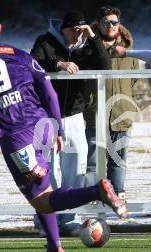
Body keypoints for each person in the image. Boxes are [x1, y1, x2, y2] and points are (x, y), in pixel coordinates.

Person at [0, 5, 126, 252]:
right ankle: (54, 248)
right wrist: (56, 126)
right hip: (43, 125)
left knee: (42, 199)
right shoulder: (20, 54)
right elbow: (49, 93)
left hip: (17, 135)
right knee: (43, 190)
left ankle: (98, 192)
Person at [30, 10, 111, 235]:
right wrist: (59, 64)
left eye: (81, 30)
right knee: (48, 170)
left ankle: (70, 219)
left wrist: (93, 36)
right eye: (74, 30)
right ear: (64, 29)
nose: (78, 35)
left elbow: (105, 65)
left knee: (76, 167)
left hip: (75, 115)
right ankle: (47, 220)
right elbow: (33, 63)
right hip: (45, 117)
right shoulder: (45, 41)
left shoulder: (87, 44)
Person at [84, 6, 139, 200]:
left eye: (114, 22)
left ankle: (117, 198)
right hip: (94, 114)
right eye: (106, 22)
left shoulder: (129, 52)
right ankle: (91, 197)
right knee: (92, 163)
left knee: (118, 161)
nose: (110, 26)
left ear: (119, 24)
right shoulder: (88, 49)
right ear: (98, 24)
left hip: (121, 114)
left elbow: (133, 82)